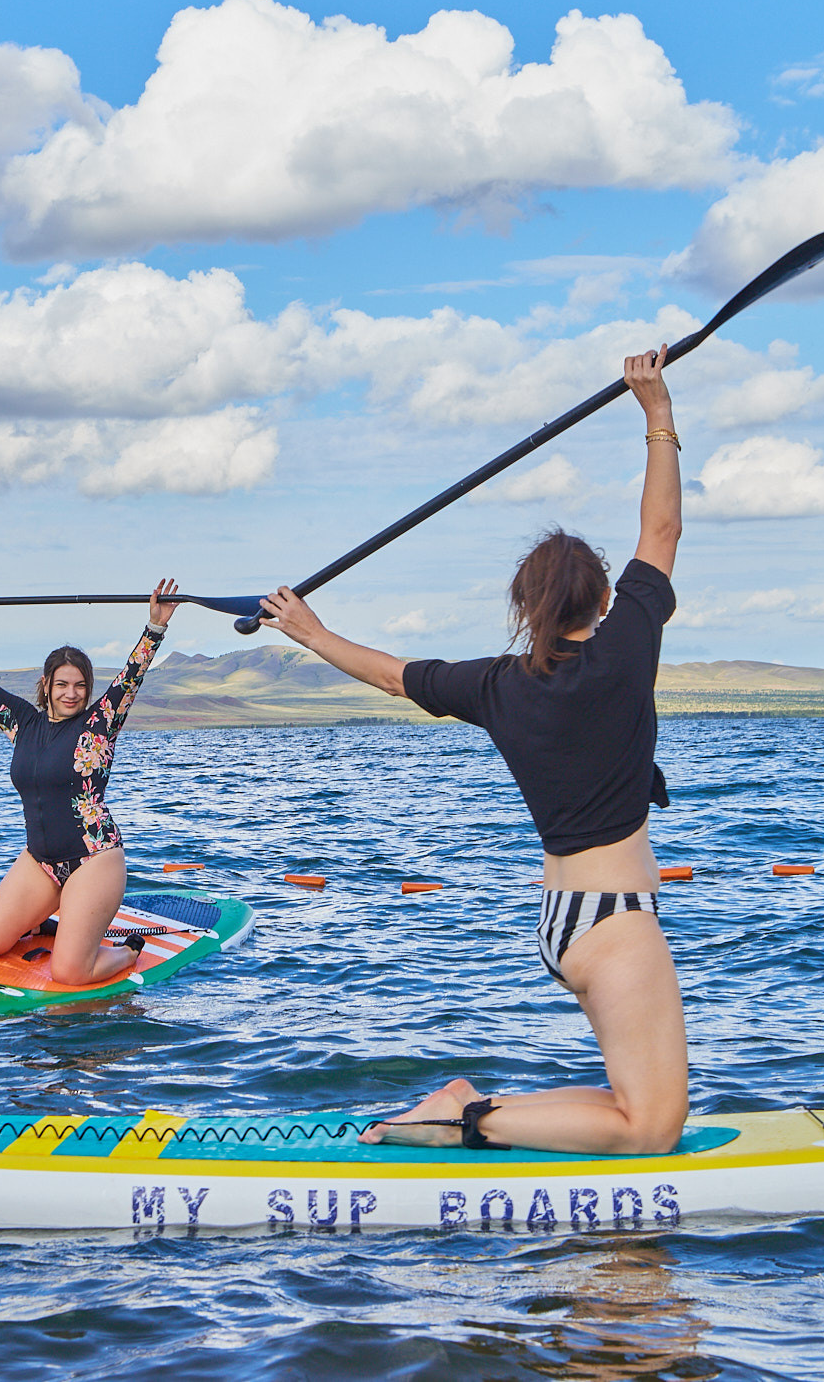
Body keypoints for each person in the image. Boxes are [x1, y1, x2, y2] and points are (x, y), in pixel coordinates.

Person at [259, 348, 685, 1155]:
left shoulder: (496, 684)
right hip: (617, 923)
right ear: (601, 598)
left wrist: (308, 630)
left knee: (627, 1102)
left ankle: (470, 1103)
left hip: (563, 921)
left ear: (526, 604)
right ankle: (461, 1118)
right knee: (653, 1129)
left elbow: (391, 676)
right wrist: (657, 414)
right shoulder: (626, 646)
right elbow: (659, 529)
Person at [0, 580, 180, 987]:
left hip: (95, 860)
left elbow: (130, 677)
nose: (72, 694)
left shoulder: (99, 724)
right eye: (63, 684)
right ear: (47, 684)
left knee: (70, 973)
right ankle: (46, 925)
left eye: (80, 685)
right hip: (40, 863)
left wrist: (155, 628)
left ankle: (124, 951)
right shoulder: (21, 722)